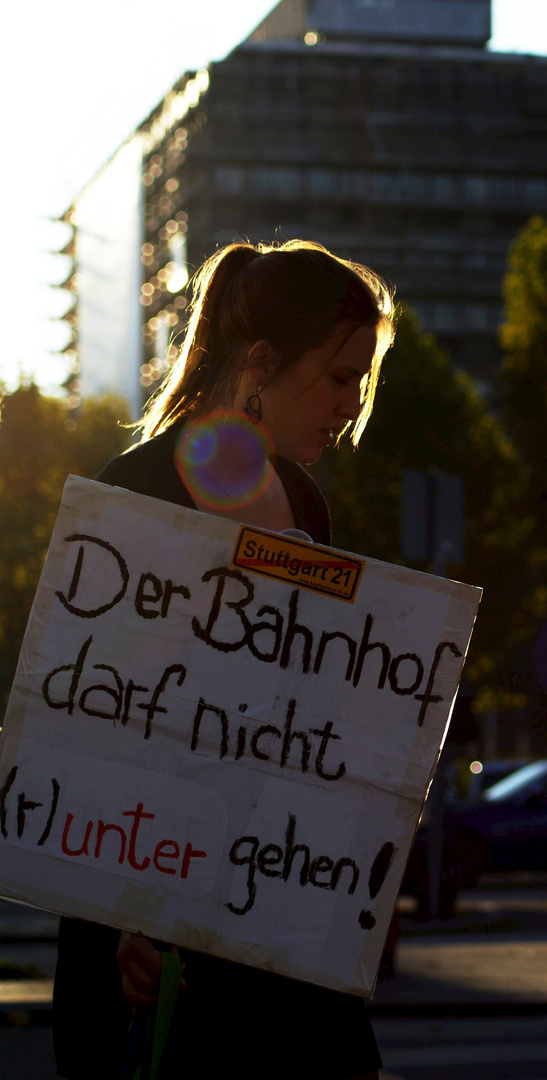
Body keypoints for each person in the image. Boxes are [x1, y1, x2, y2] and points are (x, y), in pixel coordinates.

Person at [52, 239, 395, 1080]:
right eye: (340, 375)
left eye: (362, 380)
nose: (351, 405)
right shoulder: (133, 495)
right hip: (148, 946)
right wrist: (129, 910)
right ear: (262, 364)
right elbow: (87, 732)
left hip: (276, 923)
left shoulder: (306, 501)